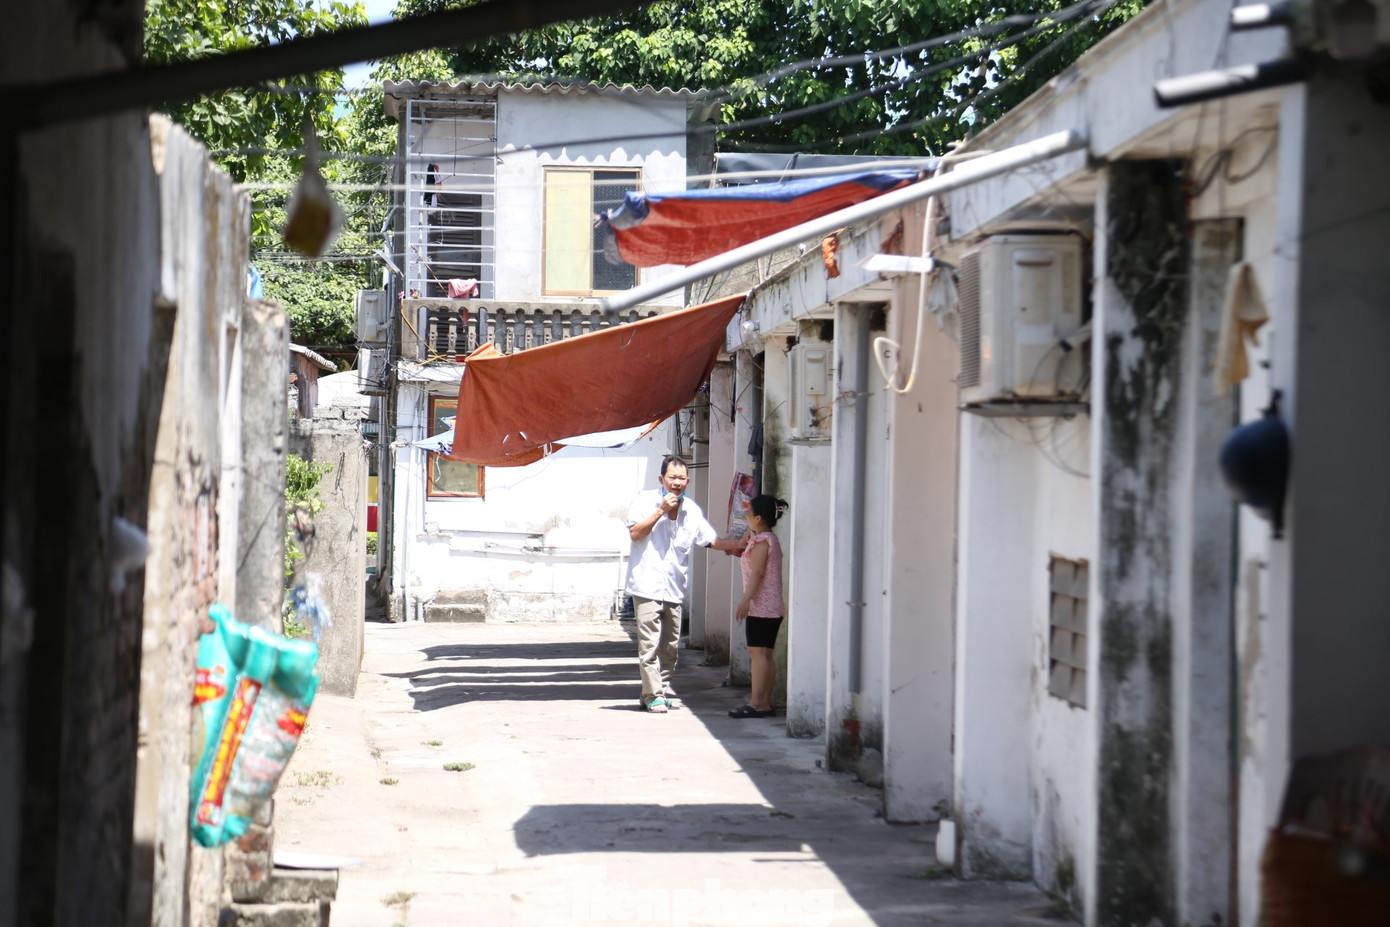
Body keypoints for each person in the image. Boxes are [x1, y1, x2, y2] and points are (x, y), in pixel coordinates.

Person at [626, 455, 746, 713]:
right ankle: (653, 696)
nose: (677, 483)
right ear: (661, 479)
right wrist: (660, 510)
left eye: (682, 478)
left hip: (674, 588)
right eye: (672, 477)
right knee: (649, 646)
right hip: (646, 585)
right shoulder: (644, 500)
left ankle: (656, 692)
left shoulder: (691, 510)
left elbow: (710, 540)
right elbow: (635, 533)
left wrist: (738, 544)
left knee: (670, 648)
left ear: (688, 481)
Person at [729, 494, 789, 719]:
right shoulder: (767, 539)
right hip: (771, 607)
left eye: (749, 513)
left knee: (757, 653)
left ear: (758, 518)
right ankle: (764, 703)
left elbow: (757, 572)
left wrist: (746, 599)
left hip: (762, 606)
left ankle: (756, 703)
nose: (746, 516)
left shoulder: (763, 541)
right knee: (765, 654)